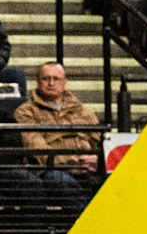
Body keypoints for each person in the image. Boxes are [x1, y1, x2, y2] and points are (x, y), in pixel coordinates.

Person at [10, 62, 99, 201]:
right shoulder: (25, 112)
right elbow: (37, 148)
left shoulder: (82, 110)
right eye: (46, 79)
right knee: (59, 181)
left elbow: (100, 141)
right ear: (38, 82)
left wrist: (97, 159)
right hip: (51, 169)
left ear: (64, 82)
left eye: (56, 79)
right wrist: (71, 162)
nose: (51, 83)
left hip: (89, 167)